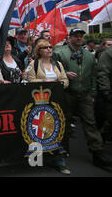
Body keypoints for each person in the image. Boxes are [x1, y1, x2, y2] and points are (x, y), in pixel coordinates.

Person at [52, 28, 112, 168]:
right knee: (64, 121)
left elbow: (93, 75)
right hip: (67, 93)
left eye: (81, 36)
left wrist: (92, 93)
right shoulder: (59, 53)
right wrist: (65, 74)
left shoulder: (89, 56)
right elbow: (52, 70)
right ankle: (62, 149)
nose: (79, 38)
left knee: (90, 122)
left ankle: (97, 152)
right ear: (70, 38)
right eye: (76, 36)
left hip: (85, 94)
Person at [26, 39, 70, 174]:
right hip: (40, 103)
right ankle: (38, 157)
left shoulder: (58, 64)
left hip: (56, 103)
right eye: (45, 48)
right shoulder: (34, 64)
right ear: (39, 51)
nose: (49, 49)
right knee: (40, 130)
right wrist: (46, 82)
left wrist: (57, 85)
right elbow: (30, 80)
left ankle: (59, 158)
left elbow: (65, 80)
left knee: (57, 129)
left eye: (50, 47)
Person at [96, 46, 112, 143]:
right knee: (109, 119)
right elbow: (103, 73)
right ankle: (102, 136)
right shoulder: (108, 54)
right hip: (110, 92)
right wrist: (106, 91)